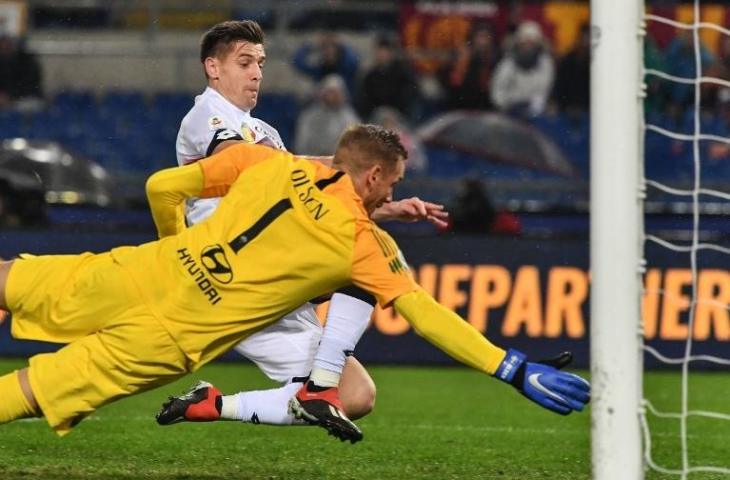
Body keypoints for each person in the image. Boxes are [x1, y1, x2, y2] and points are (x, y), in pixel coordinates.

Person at [0, 125, 590, 443]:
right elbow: (426, 315)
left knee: (8, 279)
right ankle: (318, 386)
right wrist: (509, 367)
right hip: (169, 337)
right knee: (33, 389)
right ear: (375, 175)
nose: (389, 194)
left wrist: (170, 246)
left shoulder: (268, 161)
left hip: (140, 272)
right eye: (389, 185)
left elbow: (161, 186)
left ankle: (311, 388)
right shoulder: (363, 247)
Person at [167, 20, 446, 433]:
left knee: (355, 396)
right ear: (213, 67)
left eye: (260, 62)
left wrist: (385, 205)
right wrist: (346, 172)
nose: (257, 73)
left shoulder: (265, 131)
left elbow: (306, 187)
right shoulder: (205, 115)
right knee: (359, 256)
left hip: (276, 277)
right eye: (245, 62)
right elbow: (242, 164)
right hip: (234, 273)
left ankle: (212, 404)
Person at [490, 21, 554, 118]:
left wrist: (535, 109)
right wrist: (505, 105)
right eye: (525, 42)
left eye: (531, 42)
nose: (528, 45)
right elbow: (497, 90)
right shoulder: (508, 62)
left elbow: (543, 90)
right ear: (519, 42)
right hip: (509, 110)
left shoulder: (546, 63)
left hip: (534, 112)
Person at [294, 74, 360, 156]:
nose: (331, 97)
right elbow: (301, 143)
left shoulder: (350, 117)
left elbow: (354, 144)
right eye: (329, 92)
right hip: (313, 160)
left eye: (335, 93)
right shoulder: (309, 116)